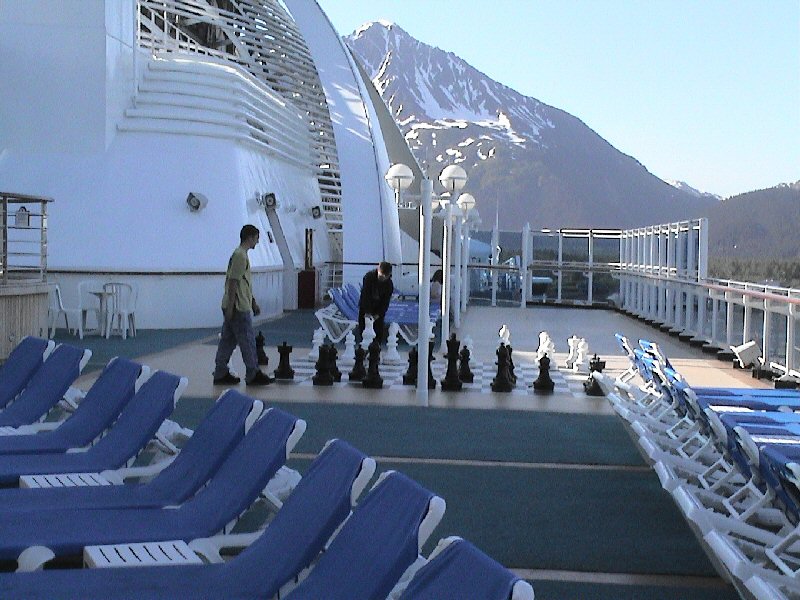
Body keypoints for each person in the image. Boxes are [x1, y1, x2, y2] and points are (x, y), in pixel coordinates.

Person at [213, 224, 273, 386]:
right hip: (239, 306)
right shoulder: (240, 256)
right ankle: (253, 373)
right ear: (249, 237)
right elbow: (233, 282)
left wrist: (253, 302)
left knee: (228, 340)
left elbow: (242, 284)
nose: (257, 242)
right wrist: (232, 308)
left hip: (236, 304)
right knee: (247, 340)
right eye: (256, 238)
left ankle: (220, 372)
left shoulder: (240, 254)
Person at [358, 261, 394, 343]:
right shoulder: (368, 277)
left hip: (378, 307)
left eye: (385, 277)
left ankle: (376, 350)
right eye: (381, 276)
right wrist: (367, 312)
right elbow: (365, 296)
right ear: (378, 270)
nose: (383, 278)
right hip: (366, 306)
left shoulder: (389, 285)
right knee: (363, 331)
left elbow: (385, 302)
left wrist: (378, 314)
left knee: (378, 332)